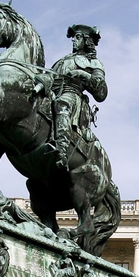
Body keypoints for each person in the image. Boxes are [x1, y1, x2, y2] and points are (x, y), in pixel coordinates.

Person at [50, 24, 107, 172]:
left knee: (62, 104)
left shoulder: (94, 63)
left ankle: (61, 150)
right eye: (74, 37)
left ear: (86, 40)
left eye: (78, 37)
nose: (74, 40)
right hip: (52, 94)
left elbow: (101, 92)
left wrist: (83, 75)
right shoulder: (62, 61)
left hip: (73, 96)